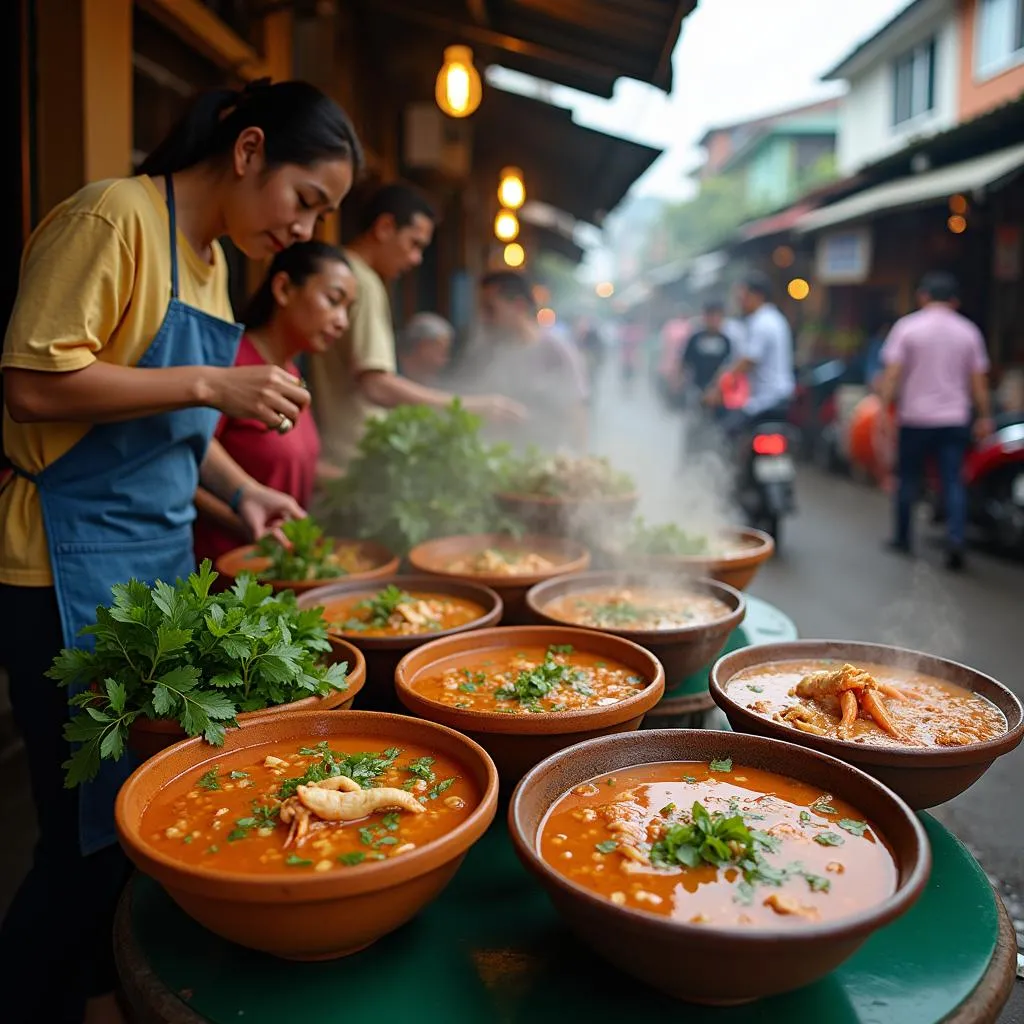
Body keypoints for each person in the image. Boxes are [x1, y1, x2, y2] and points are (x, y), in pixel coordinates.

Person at [0, 79, 361, 1024]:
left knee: (144, 819)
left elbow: (175, 421)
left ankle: (95, 991)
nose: (302, 226)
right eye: (305, 200)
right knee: (84, 838)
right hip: (61, 566)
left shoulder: (207, 260)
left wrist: (242, 491)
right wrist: (214, 380)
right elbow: (36, 386)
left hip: (154, 566)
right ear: (247, 152)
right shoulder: (112, 216)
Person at [306, 184, 522, 473]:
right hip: (350, 459)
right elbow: (376, 384)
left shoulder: (347, 274)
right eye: (414, 244)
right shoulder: (362, 282)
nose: (416, 259)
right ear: (384, 227)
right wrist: (470, 407)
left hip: (333, 453)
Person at [193, 241, 358, 567]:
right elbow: (187, 460)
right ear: (283, 289)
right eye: (333, 301)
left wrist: (355, 481)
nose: (343, 322)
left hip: (277, 568)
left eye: (348, 310)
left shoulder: (291, 373)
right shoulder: (231, 365)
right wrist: (241, 514)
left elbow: (287, 462)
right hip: (224, 574)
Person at [878, 272, 993, 570]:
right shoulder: (969, 332)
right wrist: (984, 417)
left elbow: (892, 374)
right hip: (954, 419)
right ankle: (956, 539)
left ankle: (903, 537)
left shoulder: (908, 328)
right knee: (952, 481)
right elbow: (978, 382)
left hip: (915, 418)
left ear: (923, 296)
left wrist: (883, 410)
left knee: (909, 479)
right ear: (954, 301)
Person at [473, 270, 590, 453]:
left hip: (547, 458)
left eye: (490, 309)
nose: (484, 318)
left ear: (519, 306)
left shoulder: (555, 350)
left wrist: (579, 460)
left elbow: (575, 411)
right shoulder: (491, 350)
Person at [705, 272, 795, 436]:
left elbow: (746, 362)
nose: (740, 301)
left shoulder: (761, 323)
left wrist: (719, 387)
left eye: (743, 295)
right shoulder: (775, 318)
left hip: (765, 400)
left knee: (724, 433)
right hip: (782, 396)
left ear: (757, 295)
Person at [397, 312, 454, 385]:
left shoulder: (430, 380)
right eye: (441, 352)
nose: (445, 360)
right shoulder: (390, 375)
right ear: (423, 347)